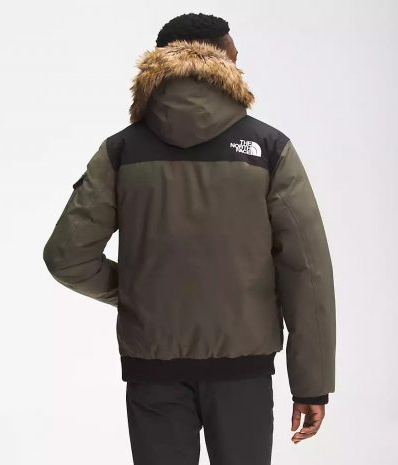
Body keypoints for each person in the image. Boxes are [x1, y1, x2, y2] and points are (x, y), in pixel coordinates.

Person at [43, 12, 336, 465]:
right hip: (244, 368)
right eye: (235, 55)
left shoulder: (121, 151)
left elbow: (67, 257)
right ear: (222, 62)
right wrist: (311, 385)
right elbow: (307, 271)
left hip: (152, 366)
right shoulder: (268, 148)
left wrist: (141, 292)